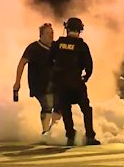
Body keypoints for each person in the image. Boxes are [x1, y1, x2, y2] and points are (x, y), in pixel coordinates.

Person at [49, 17, 100, 146]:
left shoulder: (57, 44)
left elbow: (49, 60)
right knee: (86, 109)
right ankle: (89, 136)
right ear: (80, 30)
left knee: (66, 109)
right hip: (76, 83)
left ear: (66, 29)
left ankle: (70, 136)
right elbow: (89, 66)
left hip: (61, 84)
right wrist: (85, 77)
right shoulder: (82, 46)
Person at [13, 23, 61, 135]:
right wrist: (17, 82)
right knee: (47, 104)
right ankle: (45, 131)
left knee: (60, 105)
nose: (51, 35)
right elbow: (22, 63)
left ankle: (52, 130)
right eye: (48, 33)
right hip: (39, 84)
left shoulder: (56, 47)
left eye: (52, 33)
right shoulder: (33, 48)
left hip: (55, 83)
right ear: (41, 35)